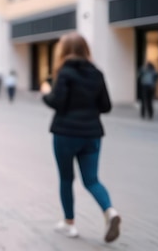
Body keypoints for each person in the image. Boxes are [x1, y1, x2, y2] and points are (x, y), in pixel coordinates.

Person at [40, 32, 121, 243]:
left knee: (67, 179)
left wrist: (46, 92)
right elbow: (106, 106)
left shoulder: (64, 72)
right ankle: (110, 211)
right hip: (92, 135)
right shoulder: (97, 73)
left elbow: (57, 102)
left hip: (66, 133)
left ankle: (70, 224)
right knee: (92, 180)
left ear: (64, 51)